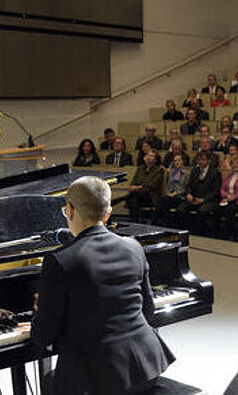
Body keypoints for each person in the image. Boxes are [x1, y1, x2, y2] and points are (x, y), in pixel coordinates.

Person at [31, 176, 174, 395]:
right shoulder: (134, 247)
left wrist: (38, 311)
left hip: (93, 379)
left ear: (69, 210)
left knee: (52, 383)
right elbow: (148, 310)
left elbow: (43, 336)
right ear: (107, 214)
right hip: (143, 367)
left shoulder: (60, 261)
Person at [177, 151, 222, 233]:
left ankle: (199, 232)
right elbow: (189, 186)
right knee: (181, 209)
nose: (200, 162)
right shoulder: (195, 171)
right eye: (199, 160)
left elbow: (216, 191)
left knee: (202, 210)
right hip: (194, 198)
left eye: (203, 160)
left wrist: (203, 200)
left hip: (208, 200)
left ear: (208, 160)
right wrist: (189, 194)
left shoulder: (215, 173)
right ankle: (188, 230)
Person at [210, 157, 238, 239]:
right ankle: (215, 235)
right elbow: (222, 189)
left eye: (237, 163)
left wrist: (233, 197)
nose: (235, 165)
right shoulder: (230, 175)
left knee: (229, 211)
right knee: (216, 209)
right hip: (227, 199)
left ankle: (230, 235)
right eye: (233, 164)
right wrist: (226, 196)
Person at [125, 150, 163, 222]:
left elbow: (153, 184)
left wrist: (140, 187)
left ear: (155, 160)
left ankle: (135, 221)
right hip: (138, 194)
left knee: (132, 197)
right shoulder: (140, 168)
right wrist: (134, 186)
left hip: (151, 195)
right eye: (148, 155)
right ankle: (135, 221)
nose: (148, 157)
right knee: (133, 199)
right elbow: (134, 181)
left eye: (151, 156)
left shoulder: (159, 170)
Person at [152, 154, 189, 226]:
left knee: (164, 201)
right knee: (164, 201)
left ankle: (154, 221)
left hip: (180, 196)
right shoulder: (172, 172)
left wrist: (176, 193)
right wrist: (168, 193)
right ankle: (164, 222)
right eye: (175, 161)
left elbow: (186, 188)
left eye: (179, 160)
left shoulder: (187, 173)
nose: (177, 162)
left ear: (183, 162)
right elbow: (168, 185)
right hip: (170, 196)